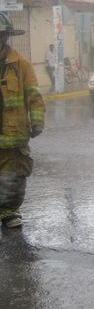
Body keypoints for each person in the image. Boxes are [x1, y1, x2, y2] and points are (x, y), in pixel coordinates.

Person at [0, 12, 45, 228]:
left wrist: (37, 121)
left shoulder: (22, 65)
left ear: (6, 36)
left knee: (12, 177)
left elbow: (33, 95)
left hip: (12, 135)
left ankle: (9, 212)